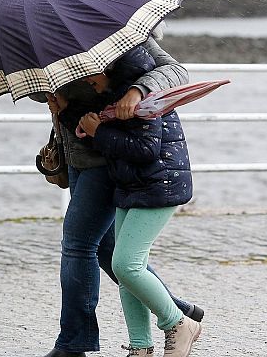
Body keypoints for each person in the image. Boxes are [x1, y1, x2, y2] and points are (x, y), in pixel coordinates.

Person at [39, 36, 203, 357]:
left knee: (81, 244)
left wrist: (136, 91)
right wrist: (55, 104)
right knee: (111, 252)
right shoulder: (46, 33)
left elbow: (172, 71)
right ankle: (151, 334)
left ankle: (74, 344)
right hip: (82, 154)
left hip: (112, 158)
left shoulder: (120, 34)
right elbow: (63, 105)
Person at [77, 59, 199, 356]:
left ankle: (179, 323)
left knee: (125, 265)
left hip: (160, 185)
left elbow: (146, 149)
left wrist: (99, 133)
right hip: (131, 187)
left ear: (107, 67)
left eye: (89, 74)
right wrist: (80, 121)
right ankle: (140, 346)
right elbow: (120, 143)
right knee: (130, 270)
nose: (85, 80)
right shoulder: (114, 96)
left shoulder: (141, 94)